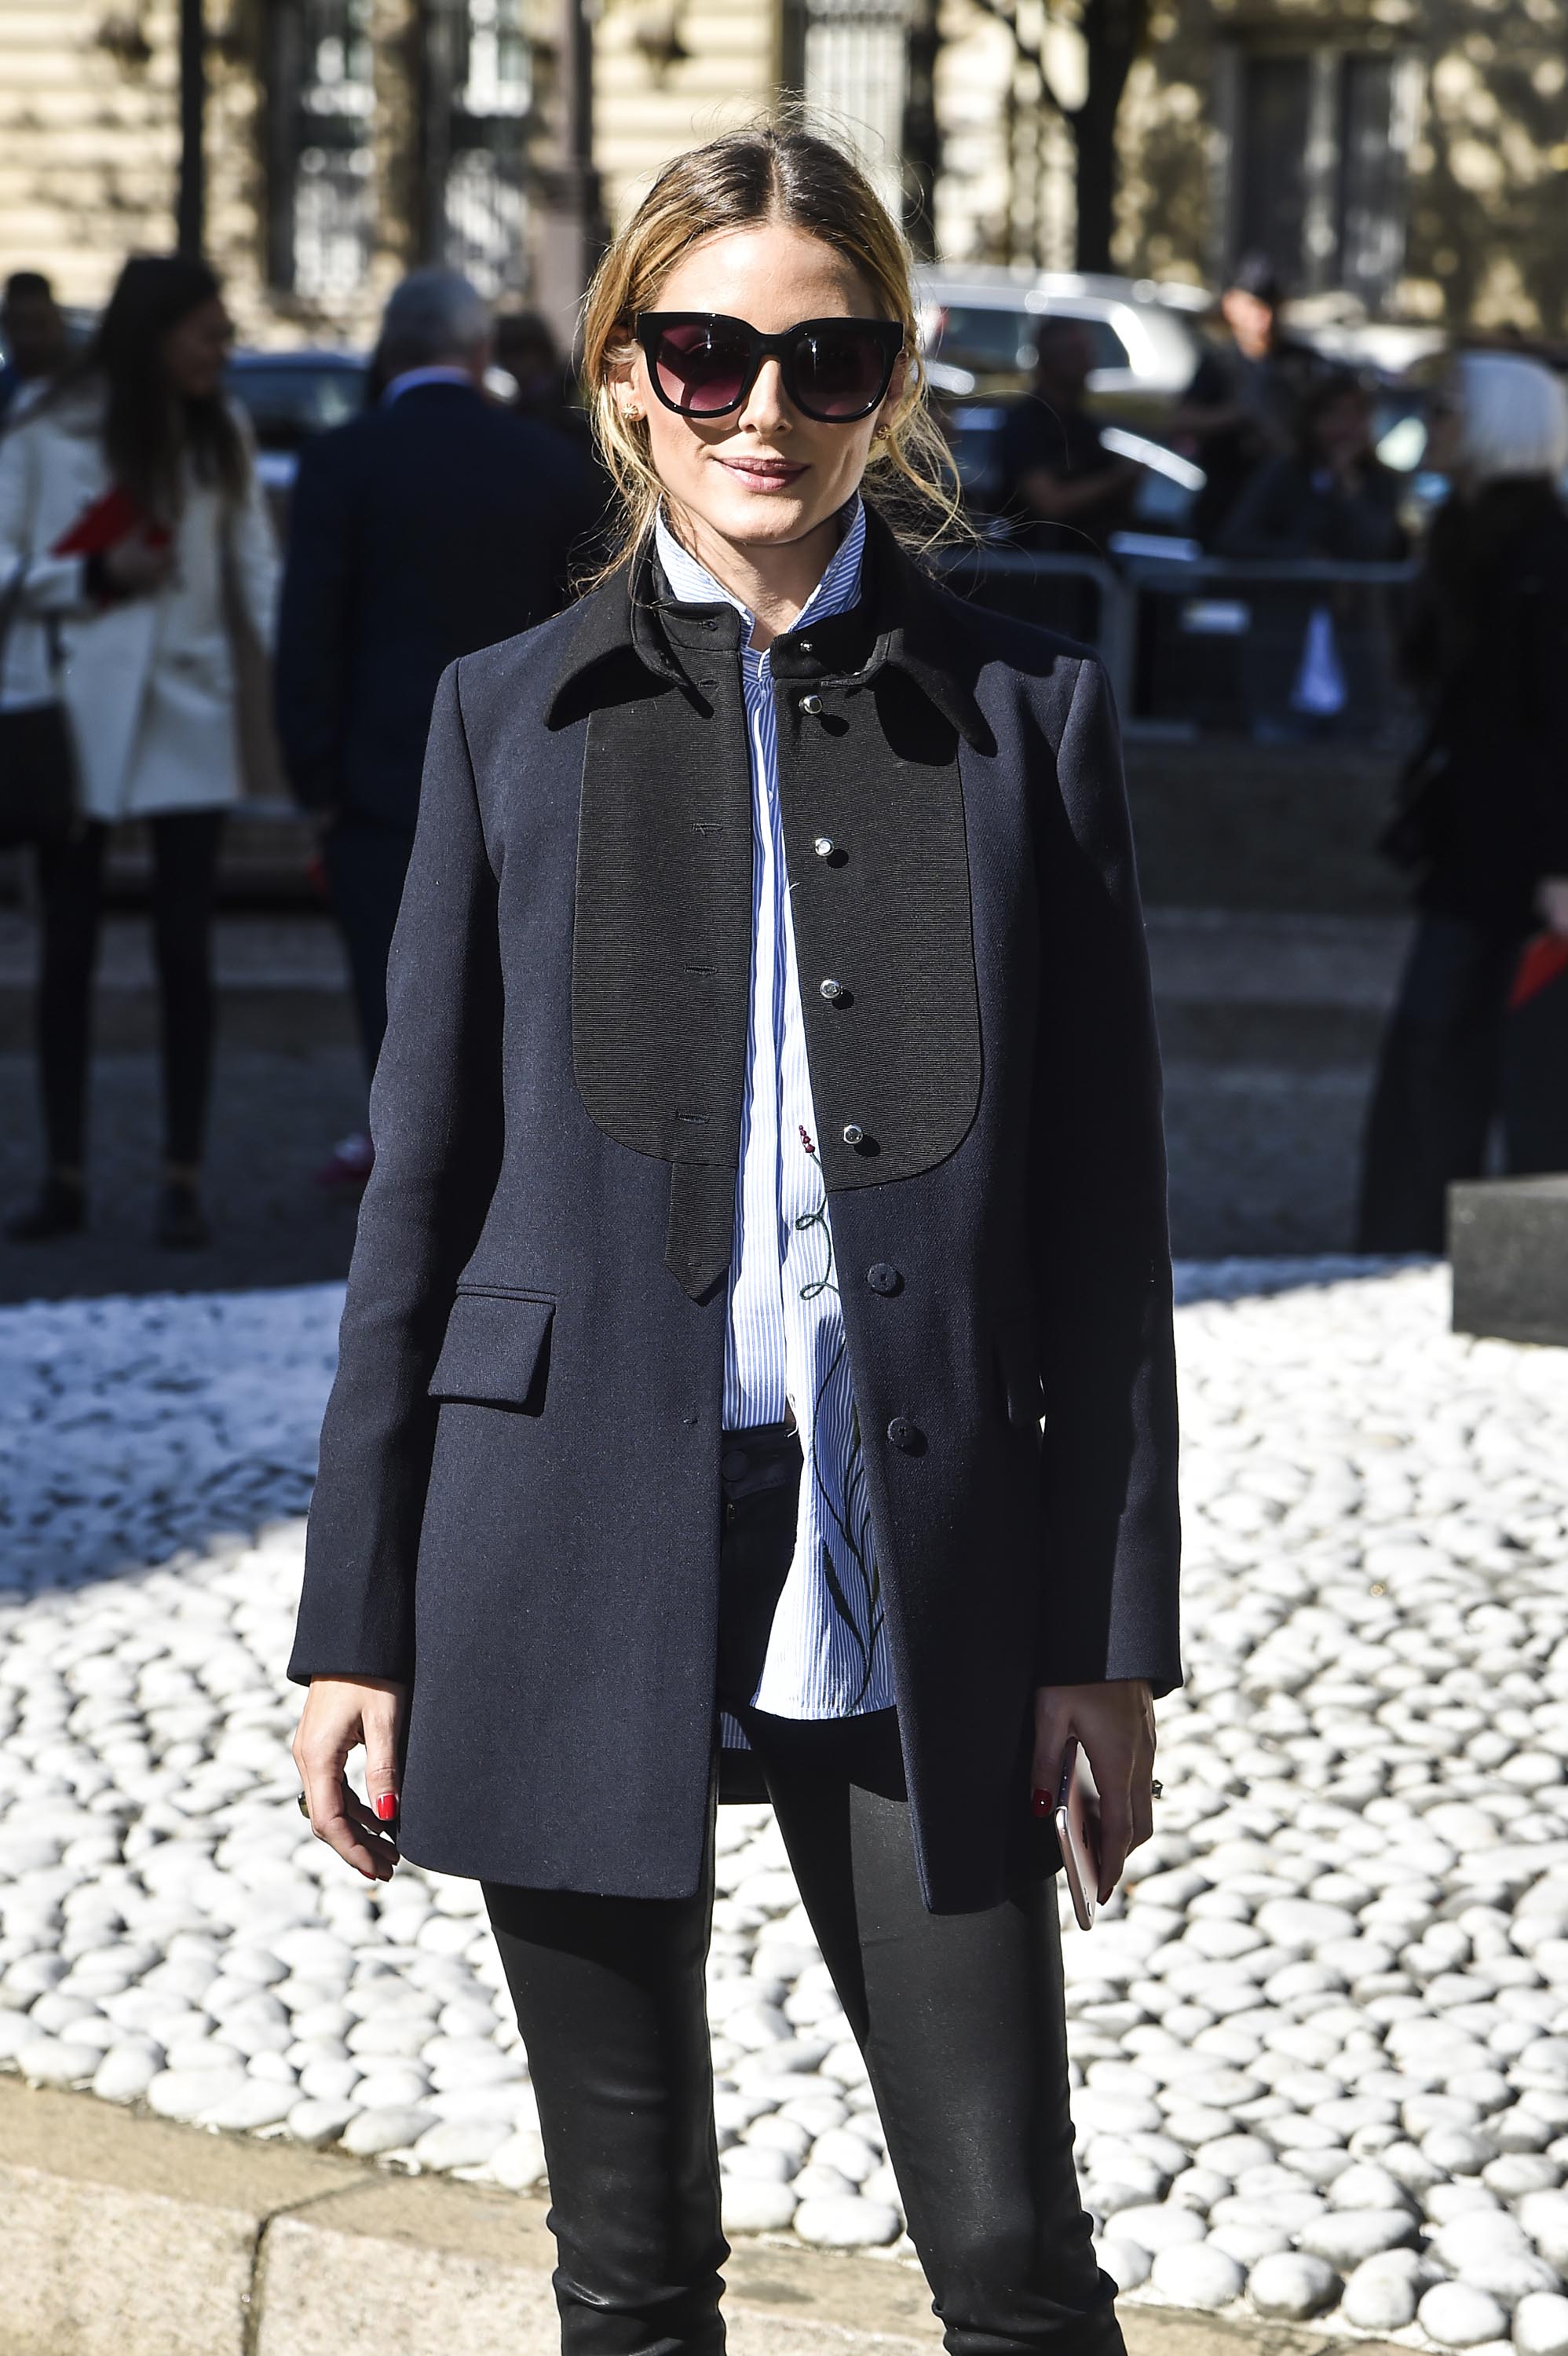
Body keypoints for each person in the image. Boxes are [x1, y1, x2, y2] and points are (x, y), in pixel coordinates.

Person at [287, 122, 1179, 2356]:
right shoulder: (509, 716)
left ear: (892, 386)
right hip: (559, 1520)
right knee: (629, 2273)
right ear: (623, 381)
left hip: (920, 1542)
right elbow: (421, 1189)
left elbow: (1104, 1216)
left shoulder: (1026, 712)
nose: (761, 411)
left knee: (1009, 2255)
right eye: (705, 355)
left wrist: (1106, 1637)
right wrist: (350, 1615)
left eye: (824, 356)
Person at [275, 269, 597, 1194]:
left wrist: (313, 778)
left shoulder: (343, 459)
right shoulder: (544, 463)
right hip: (524, 760)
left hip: (378, 768)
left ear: (390, 349)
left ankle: (406, 1158)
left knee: (390, 978)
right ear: (480, 351)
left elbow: (310, 631)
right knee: (516, 972)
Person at [0, 255, 279, 1249]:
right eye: (206, 332)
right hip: (73, 712)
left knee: (182, 950)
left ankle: (180, 1176)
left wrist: (302, 687)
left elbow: (257, 572)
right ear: (154, 333)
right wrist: (90, 572)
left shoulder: (220, 433)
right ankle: (64, 1174)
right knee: (66, 950)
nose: (223, 351)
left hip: (184, 709)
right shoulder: (44, 431)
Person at [1358, 350, 1568, 1252]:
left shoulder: (1542, 553)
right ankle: (1411, 1249)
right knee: (1439, 1057)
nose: (1429, 425)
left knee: (1513, 1071)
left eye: (1444, 410)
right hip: (1471, 851)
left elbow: (1555, 719)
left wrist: (1560, 865)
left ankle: (1484, 1261)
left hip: (1523, 866)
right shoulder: (1469, 539)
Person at [1216, 370, 1407, 738]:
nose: (1345, 428)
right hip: (1286, 643)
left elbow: (1380, 545)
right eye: (1334, 415)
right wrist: (1302, 557)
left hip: (1356, 647)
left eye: (1356, 416)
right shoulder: (1281, 475)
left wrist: (1348, 494)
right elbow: (1235, 538)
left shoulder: (1381, 483)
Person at [1170, 253, 1322, 548]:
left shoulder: (1303, 363)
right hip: (1227, 501)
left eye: (1271, 305)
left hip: (1289, 507)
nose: (1263, 317)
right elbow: (1181, 420)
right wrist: (1238, 415)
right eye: (1254, 305)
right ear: (1232, 305)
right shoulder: (1219, 364)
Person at [992, 315, 1141, 554]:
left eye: (1088, 355)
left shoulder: (1084, 426)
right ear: (1051, 361)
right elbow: (1049, 502)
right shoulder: (1026, 423)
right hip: (1039, 569)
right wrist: (1117, 479)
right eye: (1077, 355)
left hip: (1088, 564)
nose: (1088, 365)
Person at [0, 271, 68, 431]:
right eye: (18, 325)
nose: (28, 338)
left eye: (39, 325)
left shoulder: (82, 388)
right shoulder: (5, 389)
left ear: (57, 321)